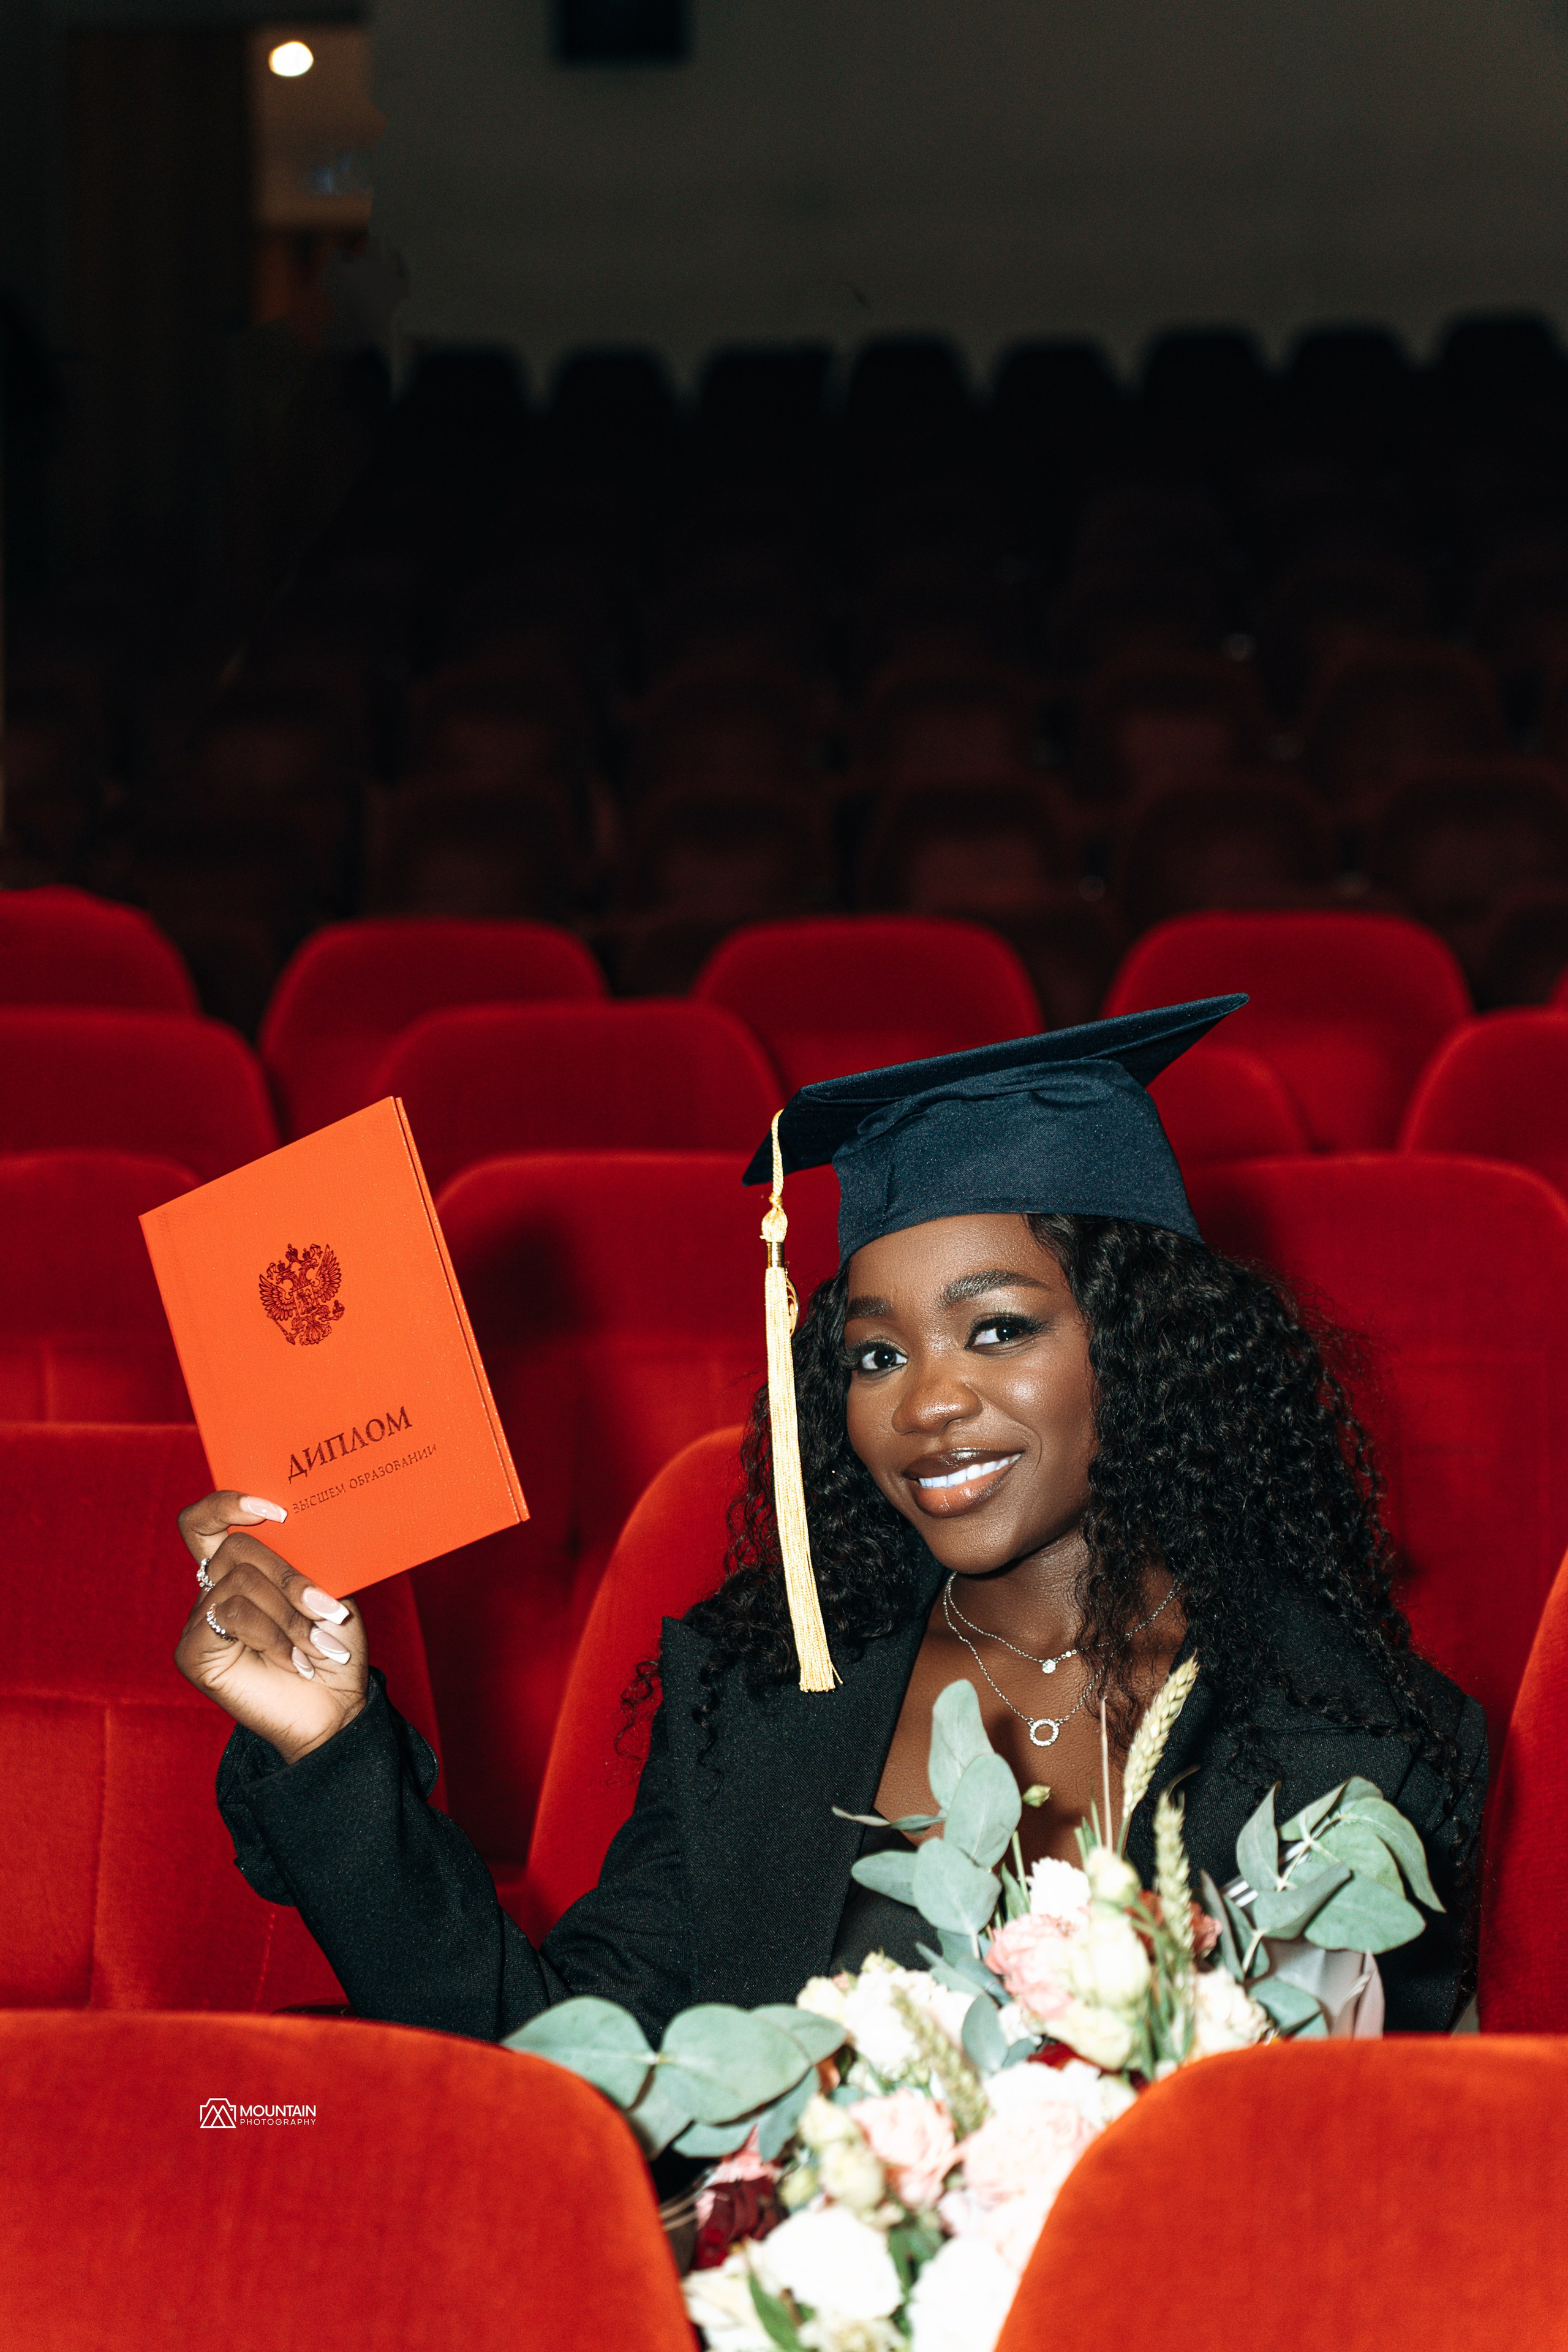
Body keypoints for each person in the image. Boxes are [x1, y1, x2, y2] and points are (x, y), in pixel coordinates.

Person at [177, 997, 1486, 2041]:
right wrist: (329, 1745)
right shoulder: (759, 1707)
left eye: (995, 1329)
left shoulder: (1351, 1734)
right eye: (872, 1356)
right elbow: (557, 2074)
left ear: (1138, 1348)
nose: (926, 1401)